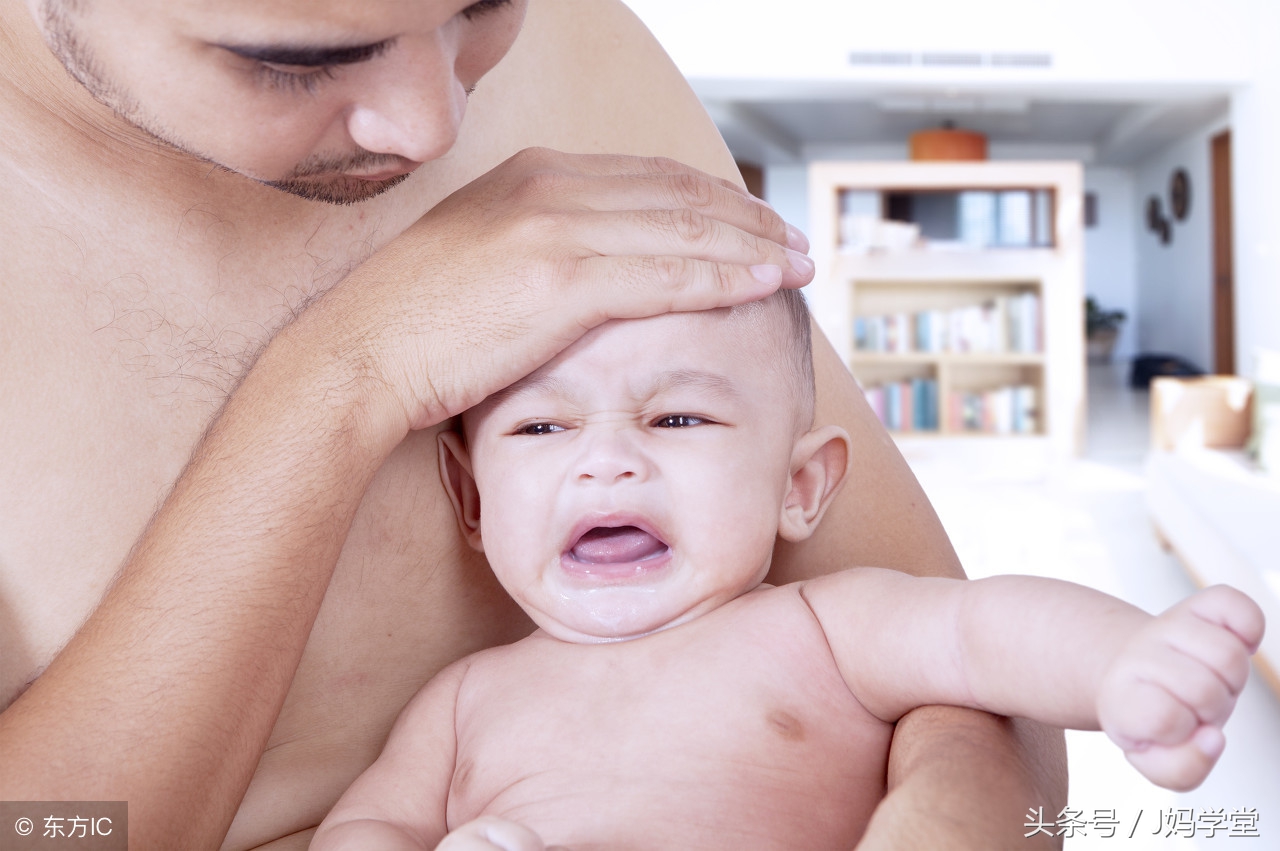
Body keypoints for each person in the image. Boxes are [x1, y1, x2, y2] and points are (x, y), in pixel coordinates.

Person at [0, 0, 1065, 847]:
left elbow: (966, 676)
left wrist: (955, 822)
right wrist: (344, 377)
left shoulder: (582, 41)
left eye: (483, 7)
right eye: (293, 56)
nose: (434, 126)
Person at [312, 292, 1265, 851]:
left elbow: (984, 631)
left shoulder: (816, 629)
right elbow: (367, 829)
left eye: (677, 419)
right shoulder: (463, 698)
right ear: (473, 501)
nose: (605, 462)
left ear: (799, 486)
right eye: (541, 427)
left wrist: (1123, 663)